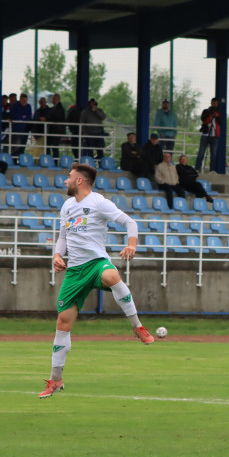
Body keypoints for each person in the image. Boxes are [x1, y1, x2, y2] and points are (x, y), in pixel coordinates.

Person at [38, 163, 155, 398]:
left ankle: (137, 326)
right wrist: (57, 255)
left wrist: (131, 245)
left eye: (69, 177)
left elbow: (130, 222)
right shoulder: (67, 206)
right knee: (63, 325)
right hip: (75, 272)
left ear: (80, 180)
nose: (65, 181)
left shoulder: (99, 202)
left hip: (96, 263)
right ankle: (56, 379)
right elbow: (63, 236)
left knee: (112, 275)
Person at [195, 97, 221, 172]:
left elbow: (220, 122)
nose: (214, 105)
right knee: (201, 152)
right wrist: (210, 114)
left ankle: (212, 170)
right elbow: (204, 120)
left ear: (217, 104)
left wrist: (216, 115)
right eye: (213, 103)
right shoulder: (206, 111)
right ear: (211, 103)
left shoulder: (218, 113)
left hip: (214, 136)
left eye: (216, 103)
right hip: (206, 135)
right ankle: (197, 168)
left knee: (213, 154)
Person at [8, 93, 33, 159]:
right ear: (20, 99)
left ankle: (21, 160)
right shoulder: (14, 106)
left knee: (22, 146)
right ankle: (14, 159)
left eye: (26, 100)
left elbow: (29, 117)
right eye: (23, 100)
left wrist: (21, 118)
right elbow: (14, 117)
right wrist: (23, 117)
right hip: (16, 129)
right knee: (16, 145)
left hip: (25, 129)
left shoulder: (28, 106)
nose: (25, 102)